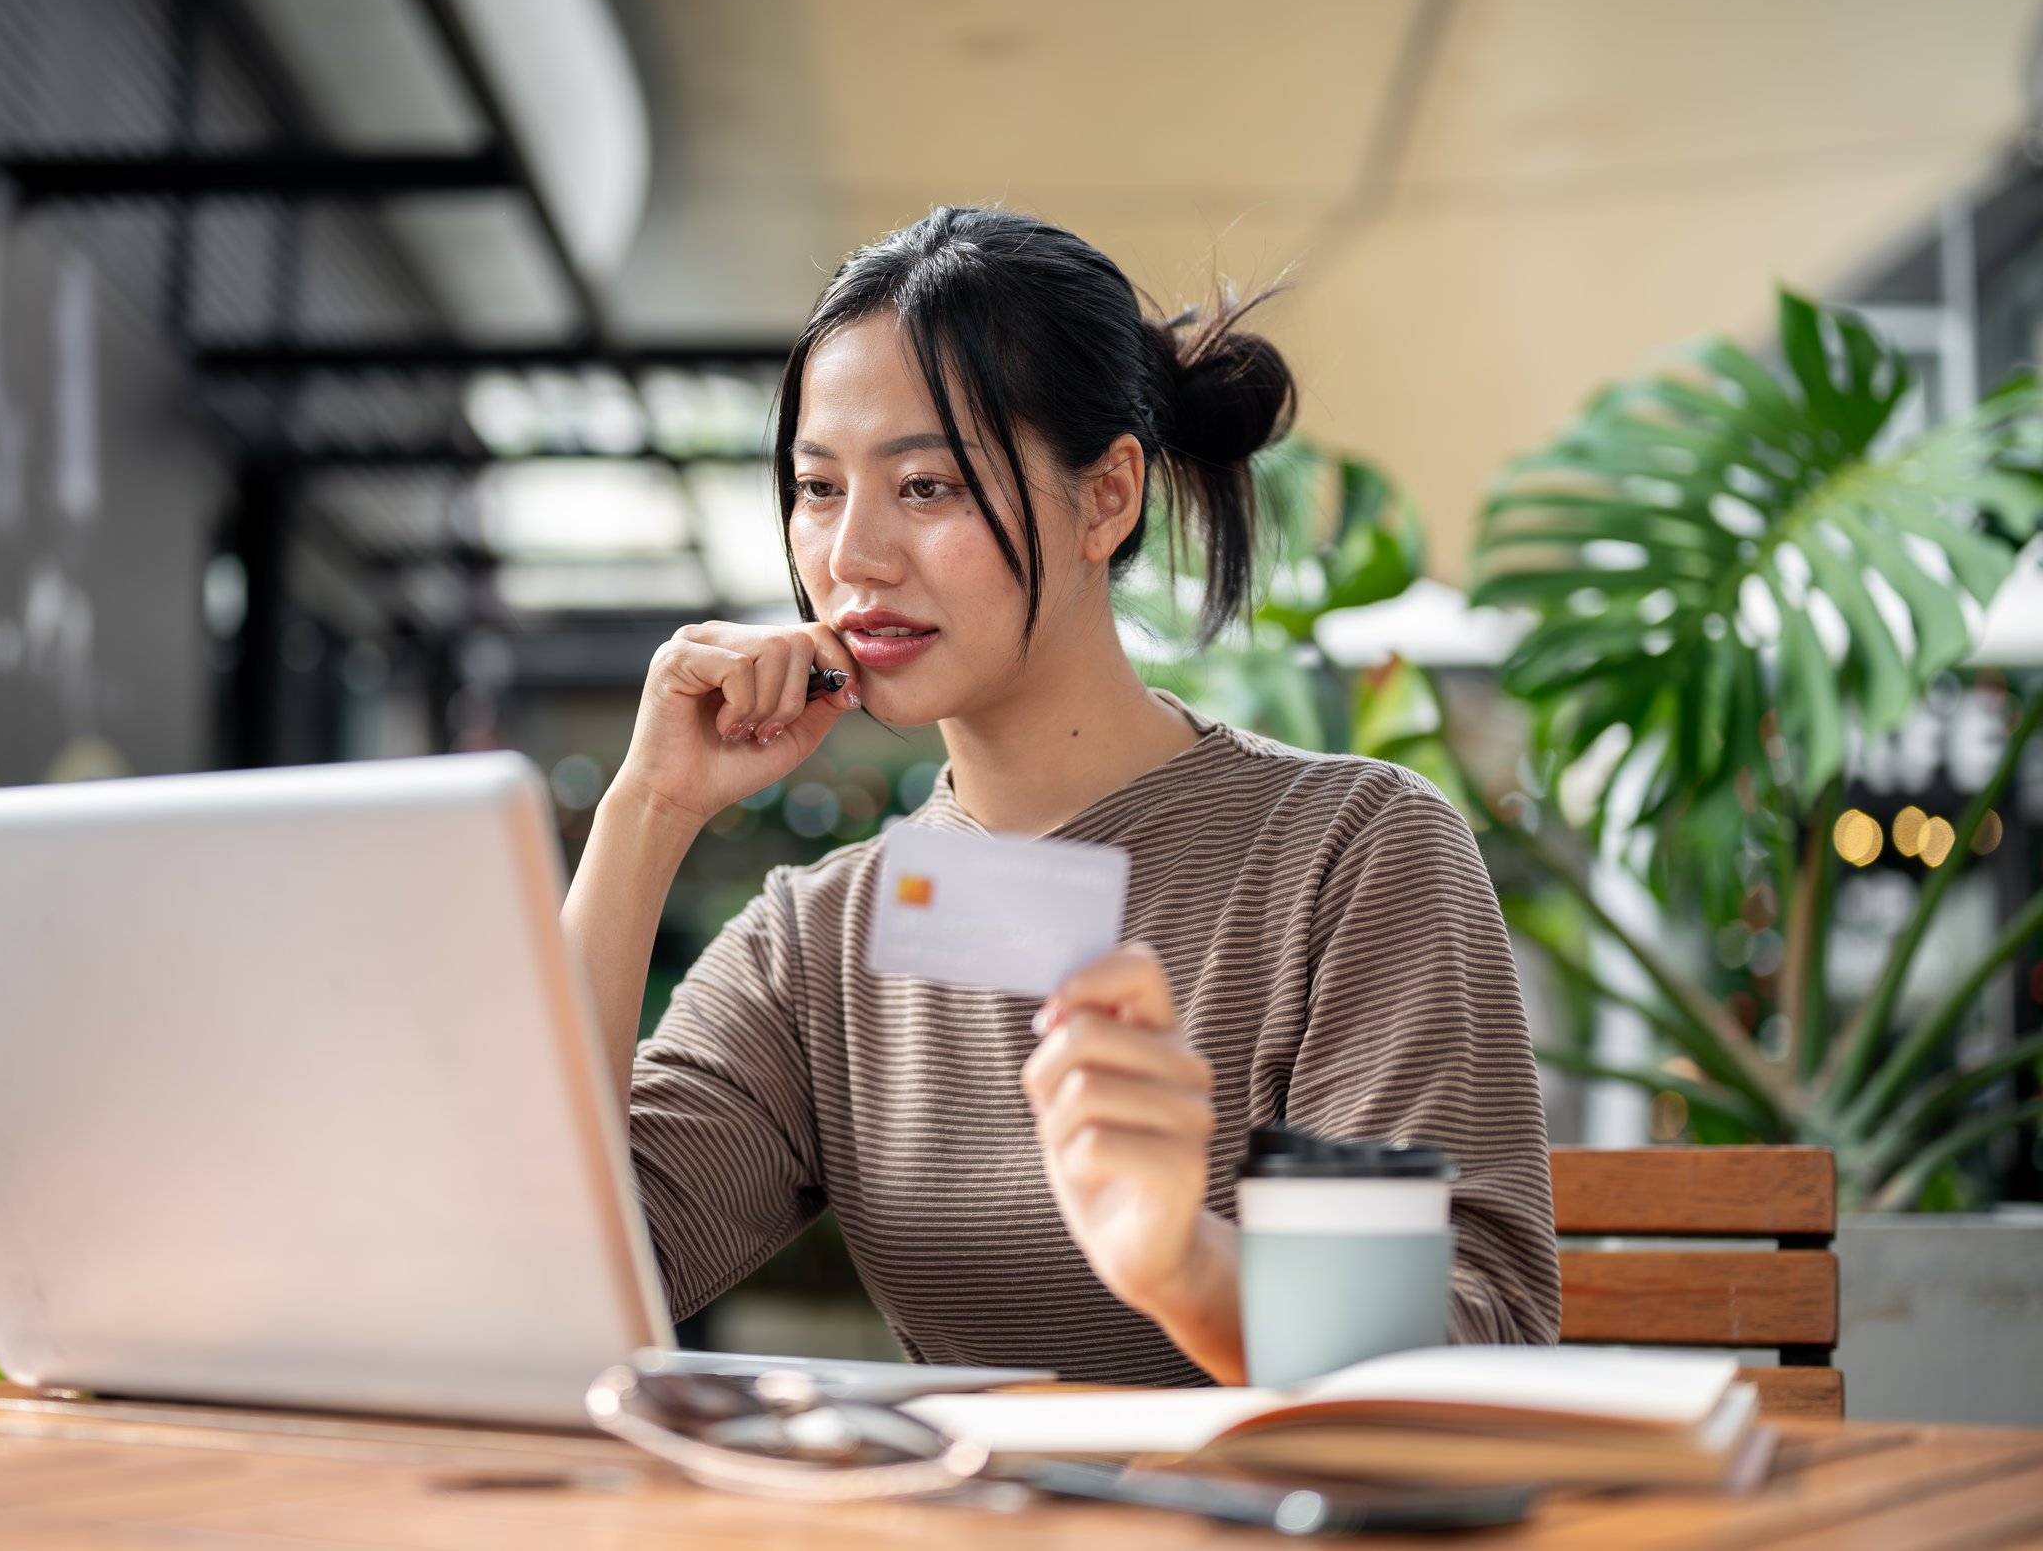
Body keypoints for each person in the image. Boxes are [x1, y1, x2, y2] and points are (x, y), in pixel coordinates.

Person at [562, 206, 1557, 1386]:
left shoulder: (1350, 854)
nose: (853, 554)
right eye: (818, 489)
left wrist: (1188, 1268)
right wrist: (647, 814)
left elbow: (1471, 1338)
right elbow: (559, 1279)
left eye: (925, 486)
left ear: (1105, 499)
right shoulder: (818, 944)